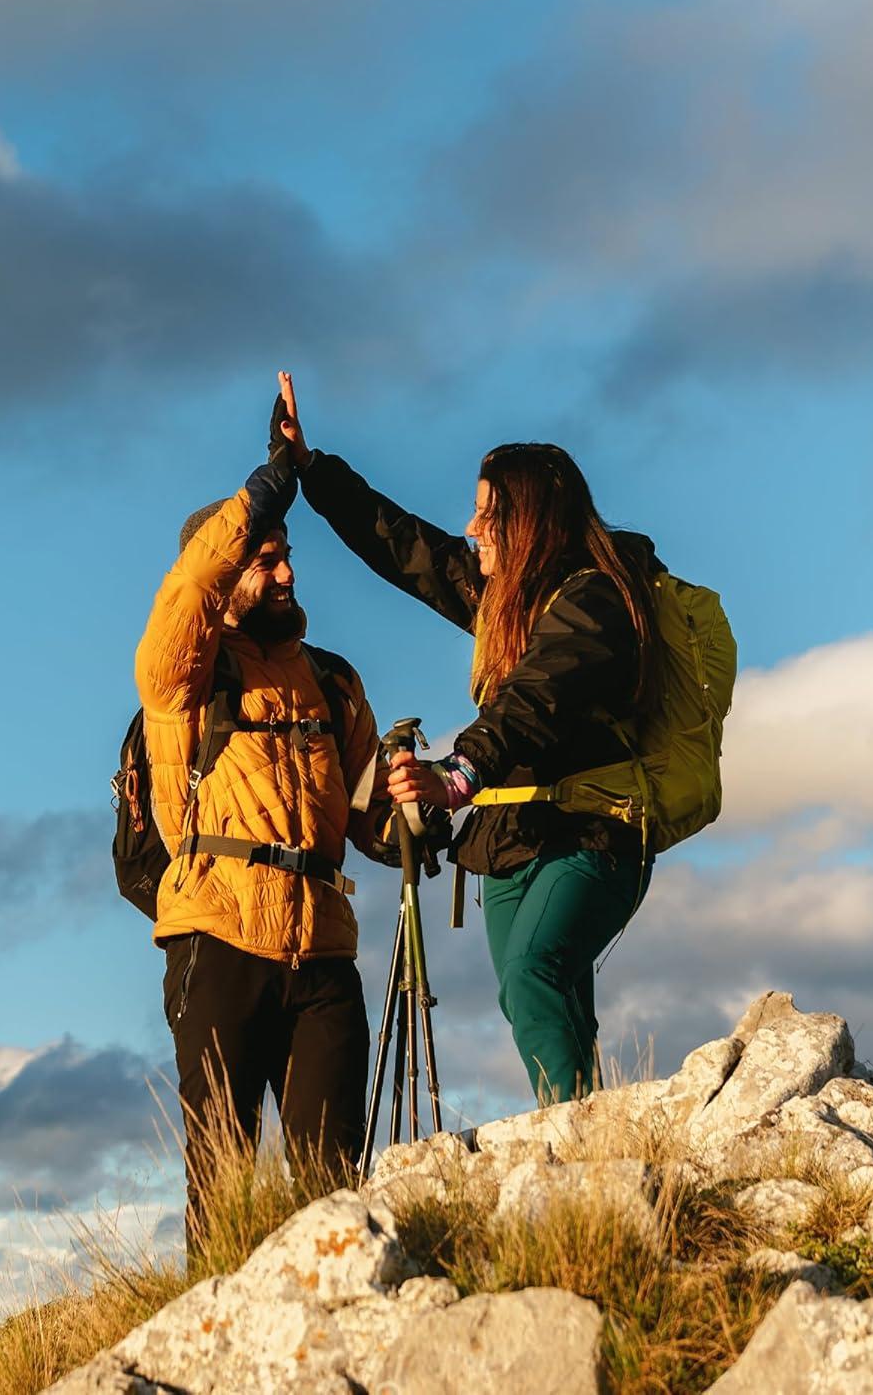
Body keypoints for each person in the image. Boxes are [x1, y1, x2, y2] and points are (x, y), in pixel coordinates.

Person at [279, 386, 664, 1106]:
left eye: (489, 514)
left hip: (592, 834)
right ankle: (595, 1133)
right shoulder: (508, 599)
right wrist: (311, 470)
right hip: (513, 839)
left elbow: (535, 698)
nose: (471, 526)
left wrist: (455, 774)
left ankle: (576, 1143)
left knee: (531, 973)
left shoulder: (598, 599)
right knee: (544, 996)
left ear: (532, 522)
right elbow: (408, 549)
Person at [134, 383, 387, 1237]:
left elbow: (371, 824)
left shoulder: (336, 680)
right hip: (218, 941)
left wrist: (422, 807)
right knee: (223, 1191)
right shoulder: (184, 680)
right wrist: (270, 483)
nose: (284, 572)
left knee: (336, 1192)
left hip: (323, 954)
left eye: (287, 557)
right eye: (264, 558)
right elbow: (189, 593)